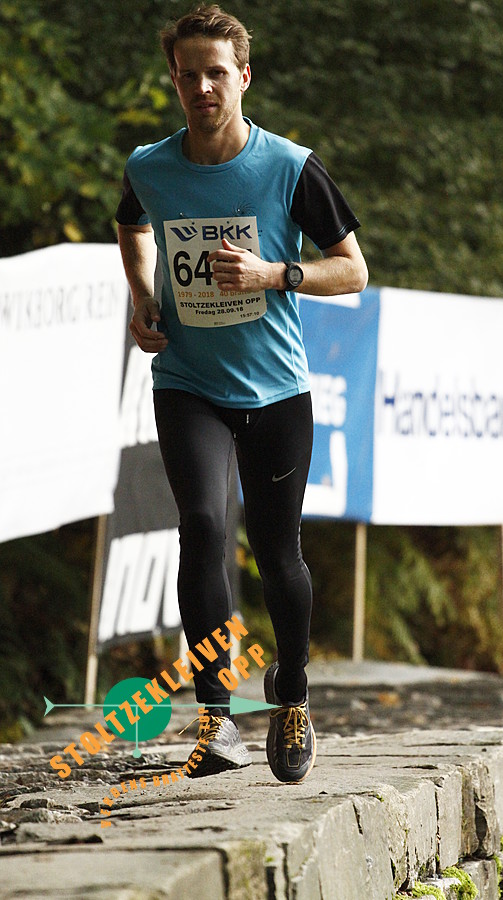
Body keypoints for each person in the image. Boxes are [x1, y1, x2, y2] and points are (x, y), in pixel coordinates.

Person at [116, 4, 368, 784]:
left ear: (244, 77)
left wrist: (273, 273)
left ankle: (291, 695)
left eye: (216, 73)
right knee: (200, 525)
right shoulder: (150, 166)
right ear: (174, 80)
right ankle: (216, 721)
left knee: (276, 550)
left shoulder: (289, 167)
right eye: (187, 75)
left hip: (276, 389)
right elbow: (131, 225)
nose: (202, 88)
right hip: (187, 382)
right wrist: (143, 295)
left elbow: (352, 269)